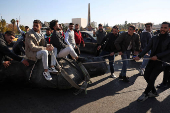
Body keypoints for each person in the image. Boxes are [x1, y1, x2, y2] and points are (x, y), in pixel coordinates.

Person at [134, 22, 170, 102]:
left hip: (161, 62)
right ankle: (153, 91)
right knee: (146, 76)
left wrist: (158, 56)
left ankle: (145, 93)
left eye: (165, 28)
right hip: (151, 60)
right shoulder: (154, 37)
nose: (163, 29)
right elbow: (147, 47)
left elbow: (168, 51)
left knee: (152, 78)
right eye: (162, 27)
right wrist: (139, 56)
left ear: (168, 29)